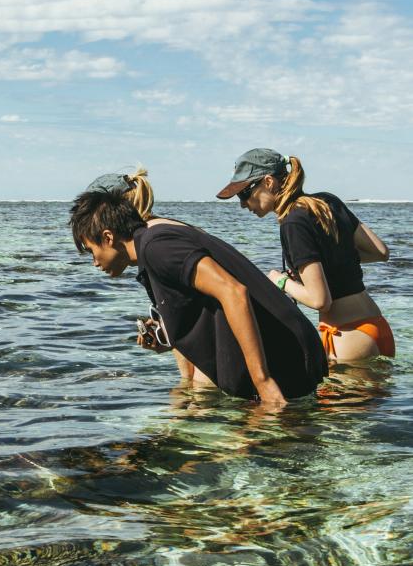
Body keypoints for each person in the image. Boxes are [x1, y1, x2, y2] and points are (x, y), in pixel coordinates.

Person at [69, 188, 327, 405]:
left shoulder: (157, 248)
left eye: (91, 251)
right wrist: (167, 337)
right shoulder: (153, 242)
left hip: (284, 359)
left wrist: (263, 381)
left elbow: (233, 291)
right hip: (285, 353)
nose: (94, 262)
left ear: (108, 237)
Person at [216, 149, 394, 363]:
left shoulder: (293, 222)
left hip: (348, 337)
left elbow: (320, 301)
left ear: (269, 182)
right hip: (378, 325)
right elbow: (380, 252)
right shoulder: (328, 202)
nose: (243, 204)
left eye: (244, 193)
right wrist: (326, 260)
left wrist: (279, 280)